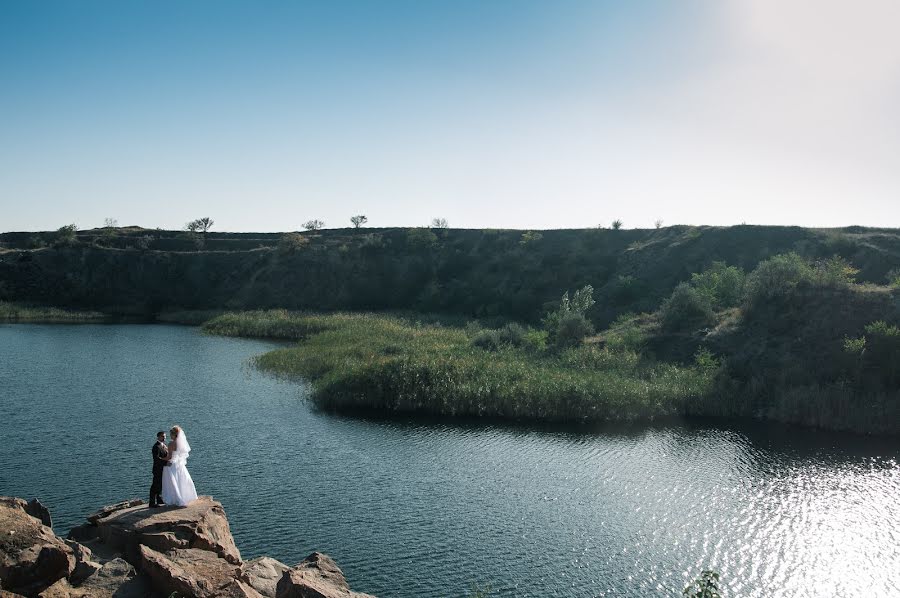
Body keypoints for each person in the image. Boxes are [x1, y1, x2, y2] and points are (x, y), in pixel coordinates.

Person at [161, 425, 198, 507]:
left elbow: (169, 457)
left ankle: (174, 498)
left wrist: (160, 458)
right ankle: (184, 497)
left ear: (174, 434)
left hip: (171, 464)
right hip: (179, 464)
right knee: (181, 480)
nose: (170, 436)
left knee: (172, 482)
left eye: (171, 434)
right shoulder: (181, 444)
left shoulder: (171, 443)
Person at [149, 431, 169, 508]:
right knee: (155, 485)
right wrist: (166, 462)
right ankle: (152, 502)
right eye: (162, 436)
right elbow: (157, 459)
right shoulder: (156, 447)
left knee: (161, 485)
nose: (164, 438)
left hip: (163, 469)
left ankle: (159, 499)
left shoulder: (164, 445)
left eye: (165, 436)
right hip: (157, 469)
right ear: (158, 437)